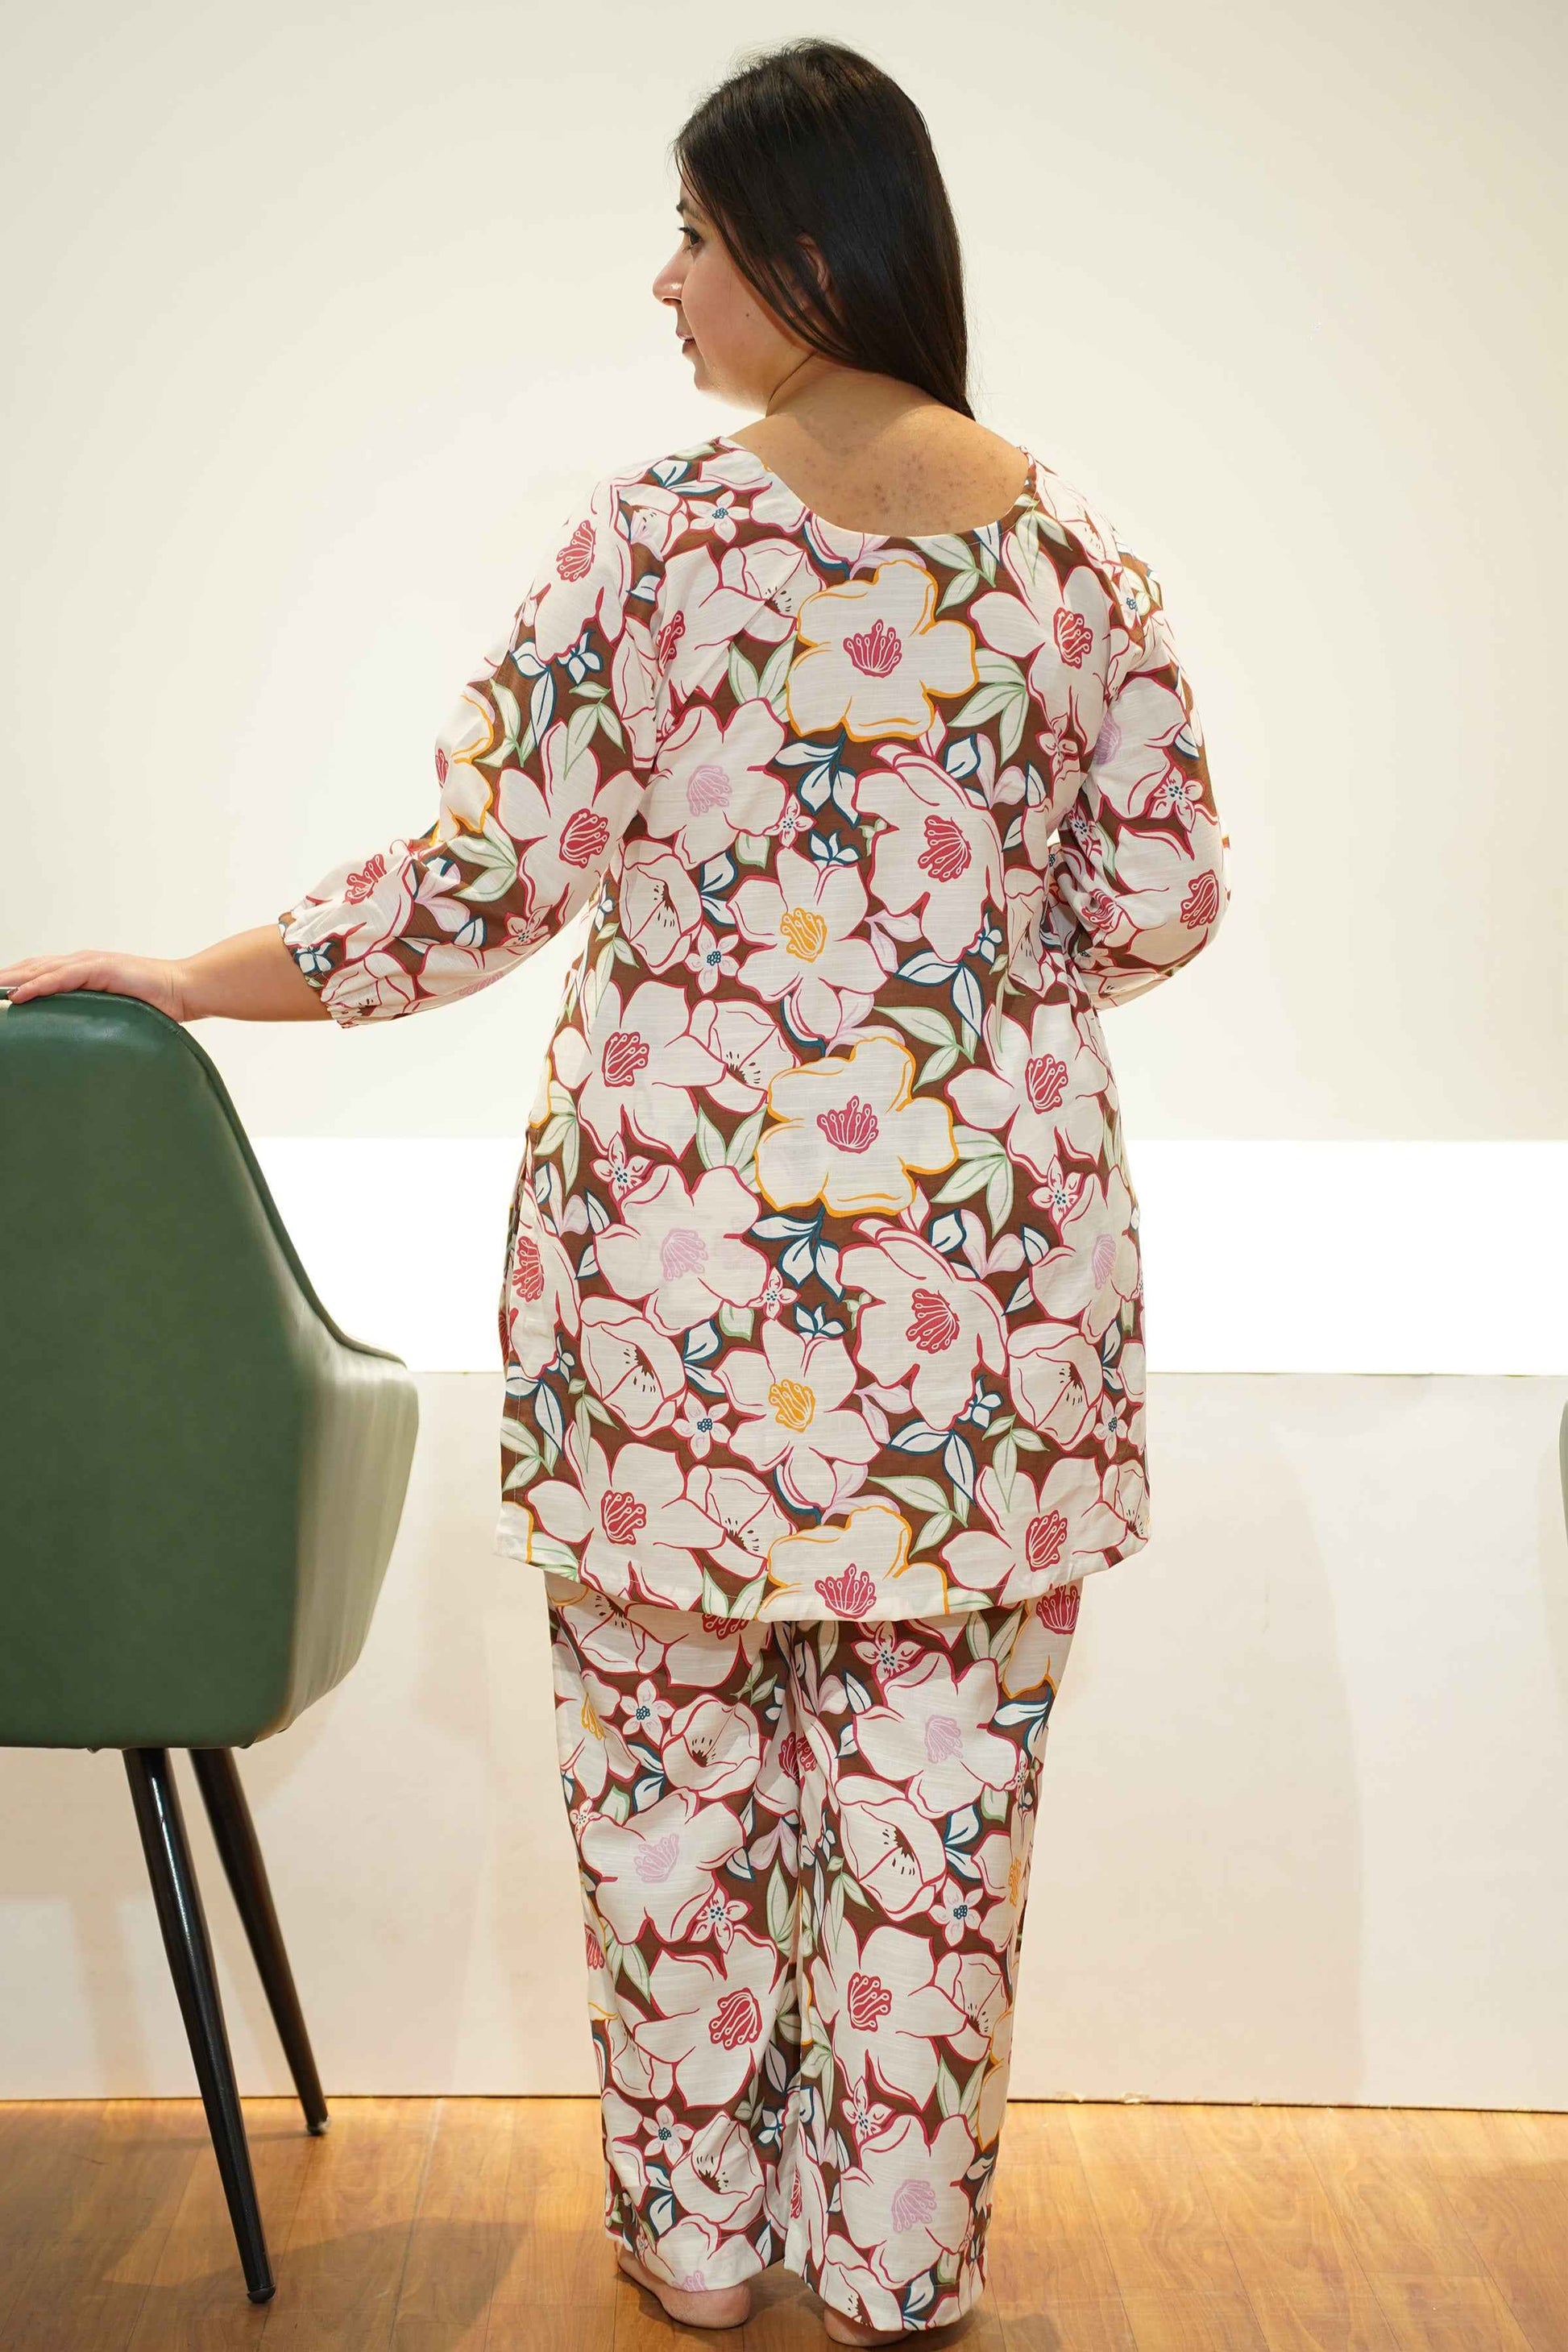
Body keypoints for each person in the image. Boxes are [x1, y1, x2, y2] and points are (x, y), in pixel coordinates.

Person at [0, 37, 1230, 2344]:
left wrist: (188, 977)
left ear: (802, 249)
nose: (666, 286)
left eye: (689, 238)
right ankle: (895, 2264)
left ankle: (698, 2243)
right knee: (937, 1822)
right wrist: (950, 979)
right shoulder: (1081, 562)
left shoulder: (660, 542)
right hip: (989, 1313)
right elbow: (1163, 905)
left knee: (670, 1789)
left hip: (673, 1291)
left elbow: (476, 886)